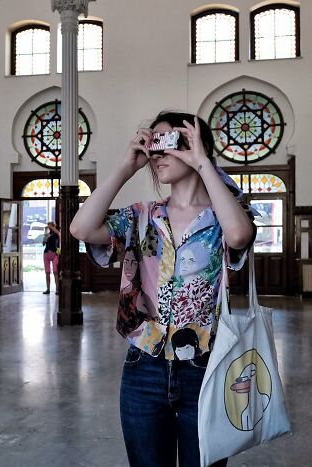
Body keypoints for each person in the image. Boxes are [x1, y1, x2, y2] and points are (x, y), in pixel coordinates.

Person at [70, 111, 256, 467]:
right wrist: (126, 166)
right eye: (152, 144)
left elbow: (239, 235)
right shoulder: (142, 215)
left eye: (168, 142)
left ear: (195, 144)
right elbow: (81, 229)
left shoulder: (224, 215)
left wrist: (203, 163)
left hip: (206, 367)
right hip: (144, 368)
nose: (158, 153)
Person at [42, 221, 60, 294]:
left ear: (53, 226)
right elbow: (43, 244)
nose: (49, 227)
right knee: (47, 272)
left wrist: (52, 227)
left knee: (55, 272)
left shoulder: (56, 234)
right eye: (48, 226)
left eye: (50, 226)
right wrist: (45, 235)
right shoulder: (47, 235)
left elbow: (59, 233)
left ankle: (57, 289)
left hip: (54, 254)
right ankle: (48, 289)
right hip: (46, 254)